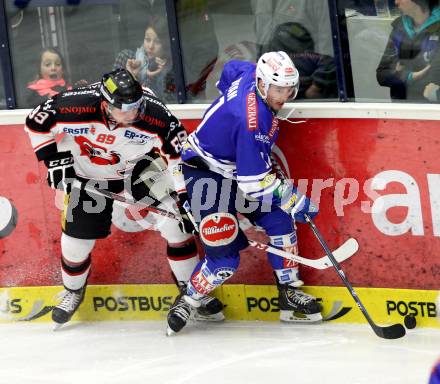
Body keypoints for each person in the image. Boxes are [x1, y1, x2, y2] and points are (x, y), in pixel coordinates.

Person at [24, 68, 223, 325]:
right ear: (105, 104)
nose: (133, 112)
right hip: (87, 174)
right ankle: (73, 291)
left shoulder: (155, 114)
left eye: (136, 105)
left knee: (177, 226)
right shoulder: (76, 104)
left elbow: (177, 157)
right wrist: (53, 161)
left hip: (140, 167)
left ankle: (191, 291)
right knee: (76, 244)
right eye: (125, 107)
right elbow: (34, 123)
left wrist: (184, 197)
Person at [166, 51, 321, 335]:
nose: (283, 96)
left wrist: (225, 116)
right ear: (262, 84)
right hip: (205, 175)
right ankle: (189, 300)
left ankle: (288, 293)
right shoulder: (252, 122)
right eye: (278, 89)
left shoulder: (250, 72)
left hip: (234, 168)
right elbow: (253, 183)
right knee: (225, 259)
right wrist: (292, 198)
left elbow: (229, 71)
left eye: (289, 89)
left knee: (280, 221)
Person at [376, 0, 440, 101]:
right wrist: (410, 76)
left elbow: (435, 77)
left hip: (430, 110)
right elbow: (381, 75)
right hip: (401, 107)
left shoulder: (438, 28)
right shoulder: (399, 27)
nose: (396, 2)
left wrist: (398, 74)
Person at [263, 21, 337, 99]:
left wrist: (315, 88)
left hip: (308, 102)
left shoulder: (306, 57)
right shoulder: (271, 61)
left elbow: (329, 62)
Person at [113, 19, 173, 101]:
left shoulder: (170, 69)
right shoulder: (126, 57)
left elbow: (166, 104)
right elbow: (111, 91)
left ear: (165, 45)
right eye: (147, 40)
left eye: (157, 42)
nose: (151, 46)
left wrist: (158, 76)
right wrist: (131, 76)